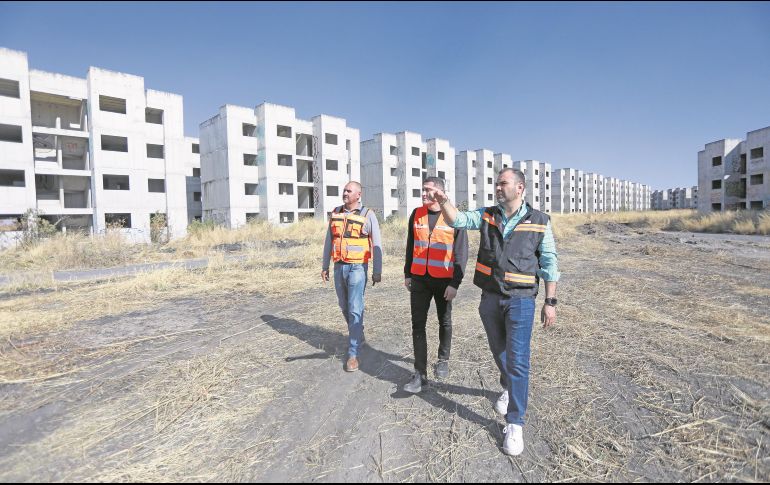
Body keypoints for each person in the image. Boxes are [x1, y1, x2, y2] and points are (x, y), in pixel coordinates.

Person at [427, 168, 559, 457]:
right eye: (496, 183)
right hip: (490, 298)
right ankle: (510, 387)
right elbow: (458, 219)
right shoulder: (487, 215)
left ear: (520, 188)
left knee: (519, 360)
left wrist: (550, 302)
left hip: (522, 300)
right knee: (499, 352)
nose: (498, 188)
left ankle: (515, 423)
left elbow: (549, 261)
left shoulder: (539, 221)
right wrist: (444, 199)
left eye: (503, 183)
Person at [402, 177, 469, 393]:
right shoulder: (416, 213)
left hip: (444, 280)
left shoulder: (453, 215)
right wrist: (408, 273)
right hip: (420, 278)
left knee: (444, 321)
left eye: (428, 190)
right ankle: (420, 374)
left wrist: (455, 283)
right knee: (417, 324)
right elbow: (411, 245)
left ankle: (443, 359)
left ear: (439, 192)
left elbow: (461, 253)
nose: (423, 193)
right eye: (422, 189)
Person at [322, 181, 383, 373]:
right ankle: (358, 334)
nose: (345, 193)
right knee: (344, 306)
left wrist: (377, 270)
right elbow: (328, 241)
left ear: (358, 195)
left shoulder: (368, 215)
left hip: (358, 267)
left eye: (349, 191)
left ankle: (353, 354)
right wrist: (325, 265)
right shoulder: (336, 212)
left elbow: (377, 243)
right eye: (344, 190)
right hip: (339, 266)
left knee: (355, 308)